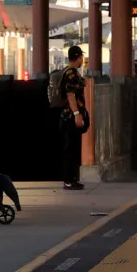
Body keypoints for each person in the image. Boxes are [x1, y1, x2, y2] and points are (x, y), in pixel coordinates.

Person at [51, 46, 92, 190]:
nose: (83, 60)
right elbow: (71, 95)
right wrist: (77, 114)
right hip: (70, 117)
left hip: (67, 116)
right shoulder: (72, 74)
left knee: (73, 148)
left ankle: (72, 179)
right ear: (78, 57)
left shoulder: (67, 71)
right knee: (70, 149)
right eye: (81, 57)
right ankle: (69, 180)